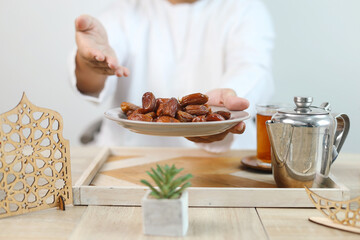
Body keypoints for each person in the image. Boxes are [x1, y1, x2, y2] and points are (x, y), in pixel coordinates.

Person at [70, 0, 274, 152]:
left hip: (222, 164)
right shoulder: (123, 12)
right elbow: (91, 83)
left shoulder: (245, 9)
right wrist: (90, 62)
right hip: (131, 156)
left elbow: (252, 68)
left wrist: (228, 101)